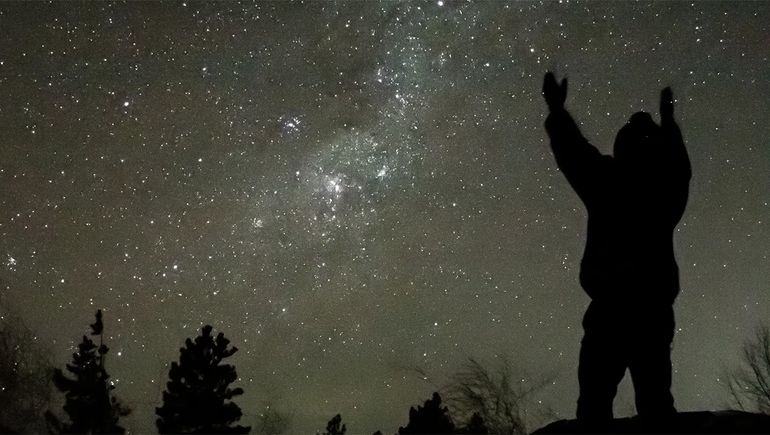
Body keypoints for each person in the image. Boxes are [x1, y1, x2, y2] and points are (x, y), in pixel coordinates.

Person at [541, 72, 691, 429]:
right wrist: (669, 125)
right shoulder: (661, 191)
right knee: (649, 404)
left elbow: (574, 153)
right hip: (643, 310)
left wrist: (558, 111)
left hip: (618, 310)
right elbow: (679, 170)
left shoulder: (610, 181)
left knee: (602, 405)